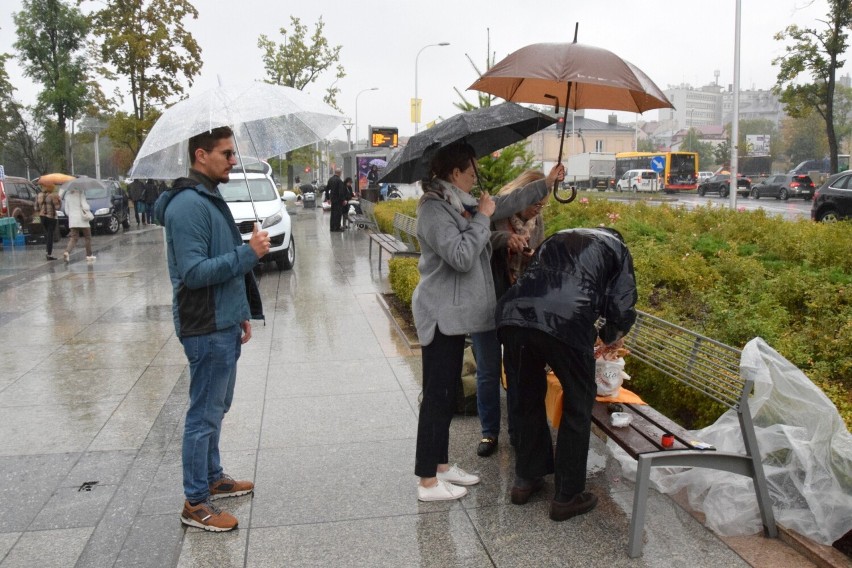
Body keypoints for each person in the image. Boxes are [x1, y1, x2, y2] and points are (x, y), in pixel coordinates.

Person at [412, 142, 564, 502]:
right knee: (436, 397)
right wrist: (481, 217)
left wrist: (546, 183)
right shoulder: (434, 210)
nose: (475, 177)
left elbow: (506, 203)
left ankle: (442, 467)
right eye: (471, 171)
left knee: (446, 394)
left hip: (453, 315)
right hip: (439, 316)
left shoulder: (454, 202)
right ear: (454, 174)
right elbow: (462, 256)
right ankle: (426, 482)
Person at [153, 125, 270, 533]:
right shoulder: (187, 204)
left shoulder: (208, 195)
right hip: (203, 326)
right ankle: (195, 501)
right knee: (203, 414)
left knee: (217, 407)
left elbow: (217, 259)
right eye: (225, 154)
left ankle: (213, 478)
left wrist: (239, 310)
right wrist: (248, 253)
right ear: (201, 155)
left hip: (220, 319)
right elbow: (193, 272)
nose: (232, 161)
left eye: (233, 154)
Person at [495, 227, 637, 521]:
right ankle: (567, 495)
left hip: (513, 315)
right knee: (578, 402)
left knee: (526, 397)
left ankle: (526, 479)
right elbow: (622, 303)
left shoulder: (561, 237)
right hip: (566, 320)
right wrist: (609, 335)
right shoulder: (617, 249)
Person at [471, 170, 547, 457]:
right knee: (489, 371)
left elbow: (538, 256)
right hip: (488, 301)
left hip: (517, 305)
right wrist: (505, 240)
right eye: (534, 203)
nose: (536, 210)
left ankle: (517, 429)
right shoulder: (495, 212)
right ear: (521, 193)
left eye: (541, 205)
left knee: (516, 370)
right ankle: (489, 432)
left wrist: (532, 255)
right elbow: (475, 242)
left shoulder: (536, 222)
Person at [60, 183, 95, 262]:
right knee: (87, 237)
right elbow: (85, 207)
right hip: (83, 220)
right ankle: (89, 255)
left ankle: (67, 252)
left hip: (72, 220)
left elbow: (67, 211)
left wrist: (72, 215)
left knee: (74, 238)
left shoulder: (67, 196)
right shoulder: (80, 193)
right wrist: (88, 207)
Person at [36, 181, 62, 260]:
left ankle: (47, 251)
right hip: (51, 217)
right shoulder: (53, 196)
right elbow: (58, 207)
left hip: (42, 217)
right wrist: (59, 201)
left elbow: (36, 208)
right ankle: (49, 253)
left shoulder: (39, 195)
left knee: (47, 234)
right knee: (50, 235)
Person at [327, 167, 346, 232]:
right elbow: (341, 192)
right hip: (338, 200)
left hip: (333, 199)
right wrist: (343, 200)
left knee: (333, 214)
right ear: (339, 173)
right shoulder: (339, 181)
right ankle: (337, 228)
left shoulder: (330, 179)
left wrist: (328, 198)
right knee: (338, 214)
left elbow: (327, 189)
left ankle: (332, 227)